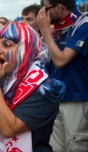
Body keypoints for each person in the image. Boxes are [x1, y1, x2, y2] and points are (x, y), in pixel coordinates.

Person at [0, 22, 66, 152]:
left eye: (7, 44)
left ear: (27, 49)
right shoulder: (0, 79)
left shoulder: (45, 89)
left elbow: (9, 129)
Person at [37, 0, 88, 151]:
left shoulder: (83, 24)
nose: (42, 13)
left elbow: (61, 60)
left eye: (46, 9)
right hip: (57, 98)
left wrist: (45, 31)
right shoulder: (60, 27)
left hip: (77, 98)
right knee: (56, 148)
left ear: (59, 7)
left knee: (75, 145)